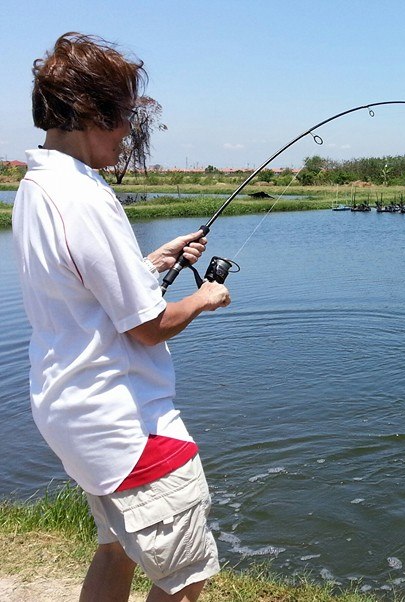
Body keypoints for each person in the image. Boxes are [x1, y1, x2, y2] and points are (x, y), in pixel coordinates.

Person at [13, 32, 230, 602]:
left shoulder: (36, 186)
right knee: (187, 577)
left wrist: (152, 264)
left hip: (73, 411)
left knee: (116, 550)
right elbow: (147, 326)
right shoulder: (86, 196)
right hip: (128, 426)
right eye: (125, 117)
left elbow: (86, 292)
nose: (130, 131)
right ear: (92, 111)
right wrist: (203, 298)